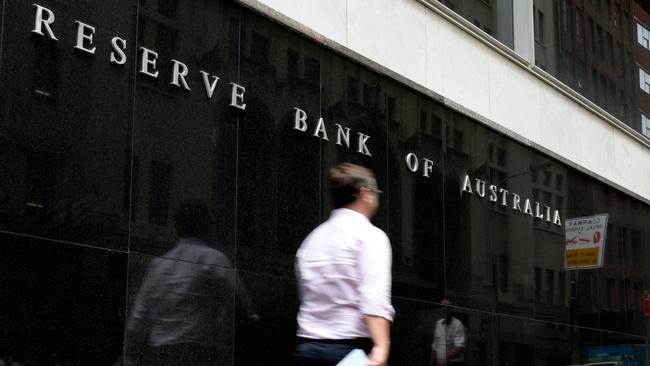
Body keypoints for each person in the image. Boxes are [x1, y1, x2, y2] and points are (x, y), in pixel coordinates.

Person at [126, 201, 257, 366]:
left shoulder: (157, 265)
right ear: (207, 226)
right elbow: (243, 306)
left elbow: (137, 321)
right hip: (198, 355)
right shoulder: (214, 259)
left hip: (160, 356)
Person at [294, 163, 395, 366]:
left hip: (307, 349)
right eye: (376, 192)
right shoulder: (370, 236)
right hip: (349, 353)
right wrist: (382, 346)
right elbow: (373, 297)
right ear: (365, 193)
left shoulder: (312, 239)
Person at [431, 299, 465, 366]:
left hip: (453, 363)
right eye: (442, 307)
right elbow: (435, 346)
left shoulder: (458, 324)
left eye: (446, 307)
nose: (444, 309)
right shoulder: (438, 323)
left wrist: (442, 361)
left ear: (450, 309)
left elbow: (459, 348)